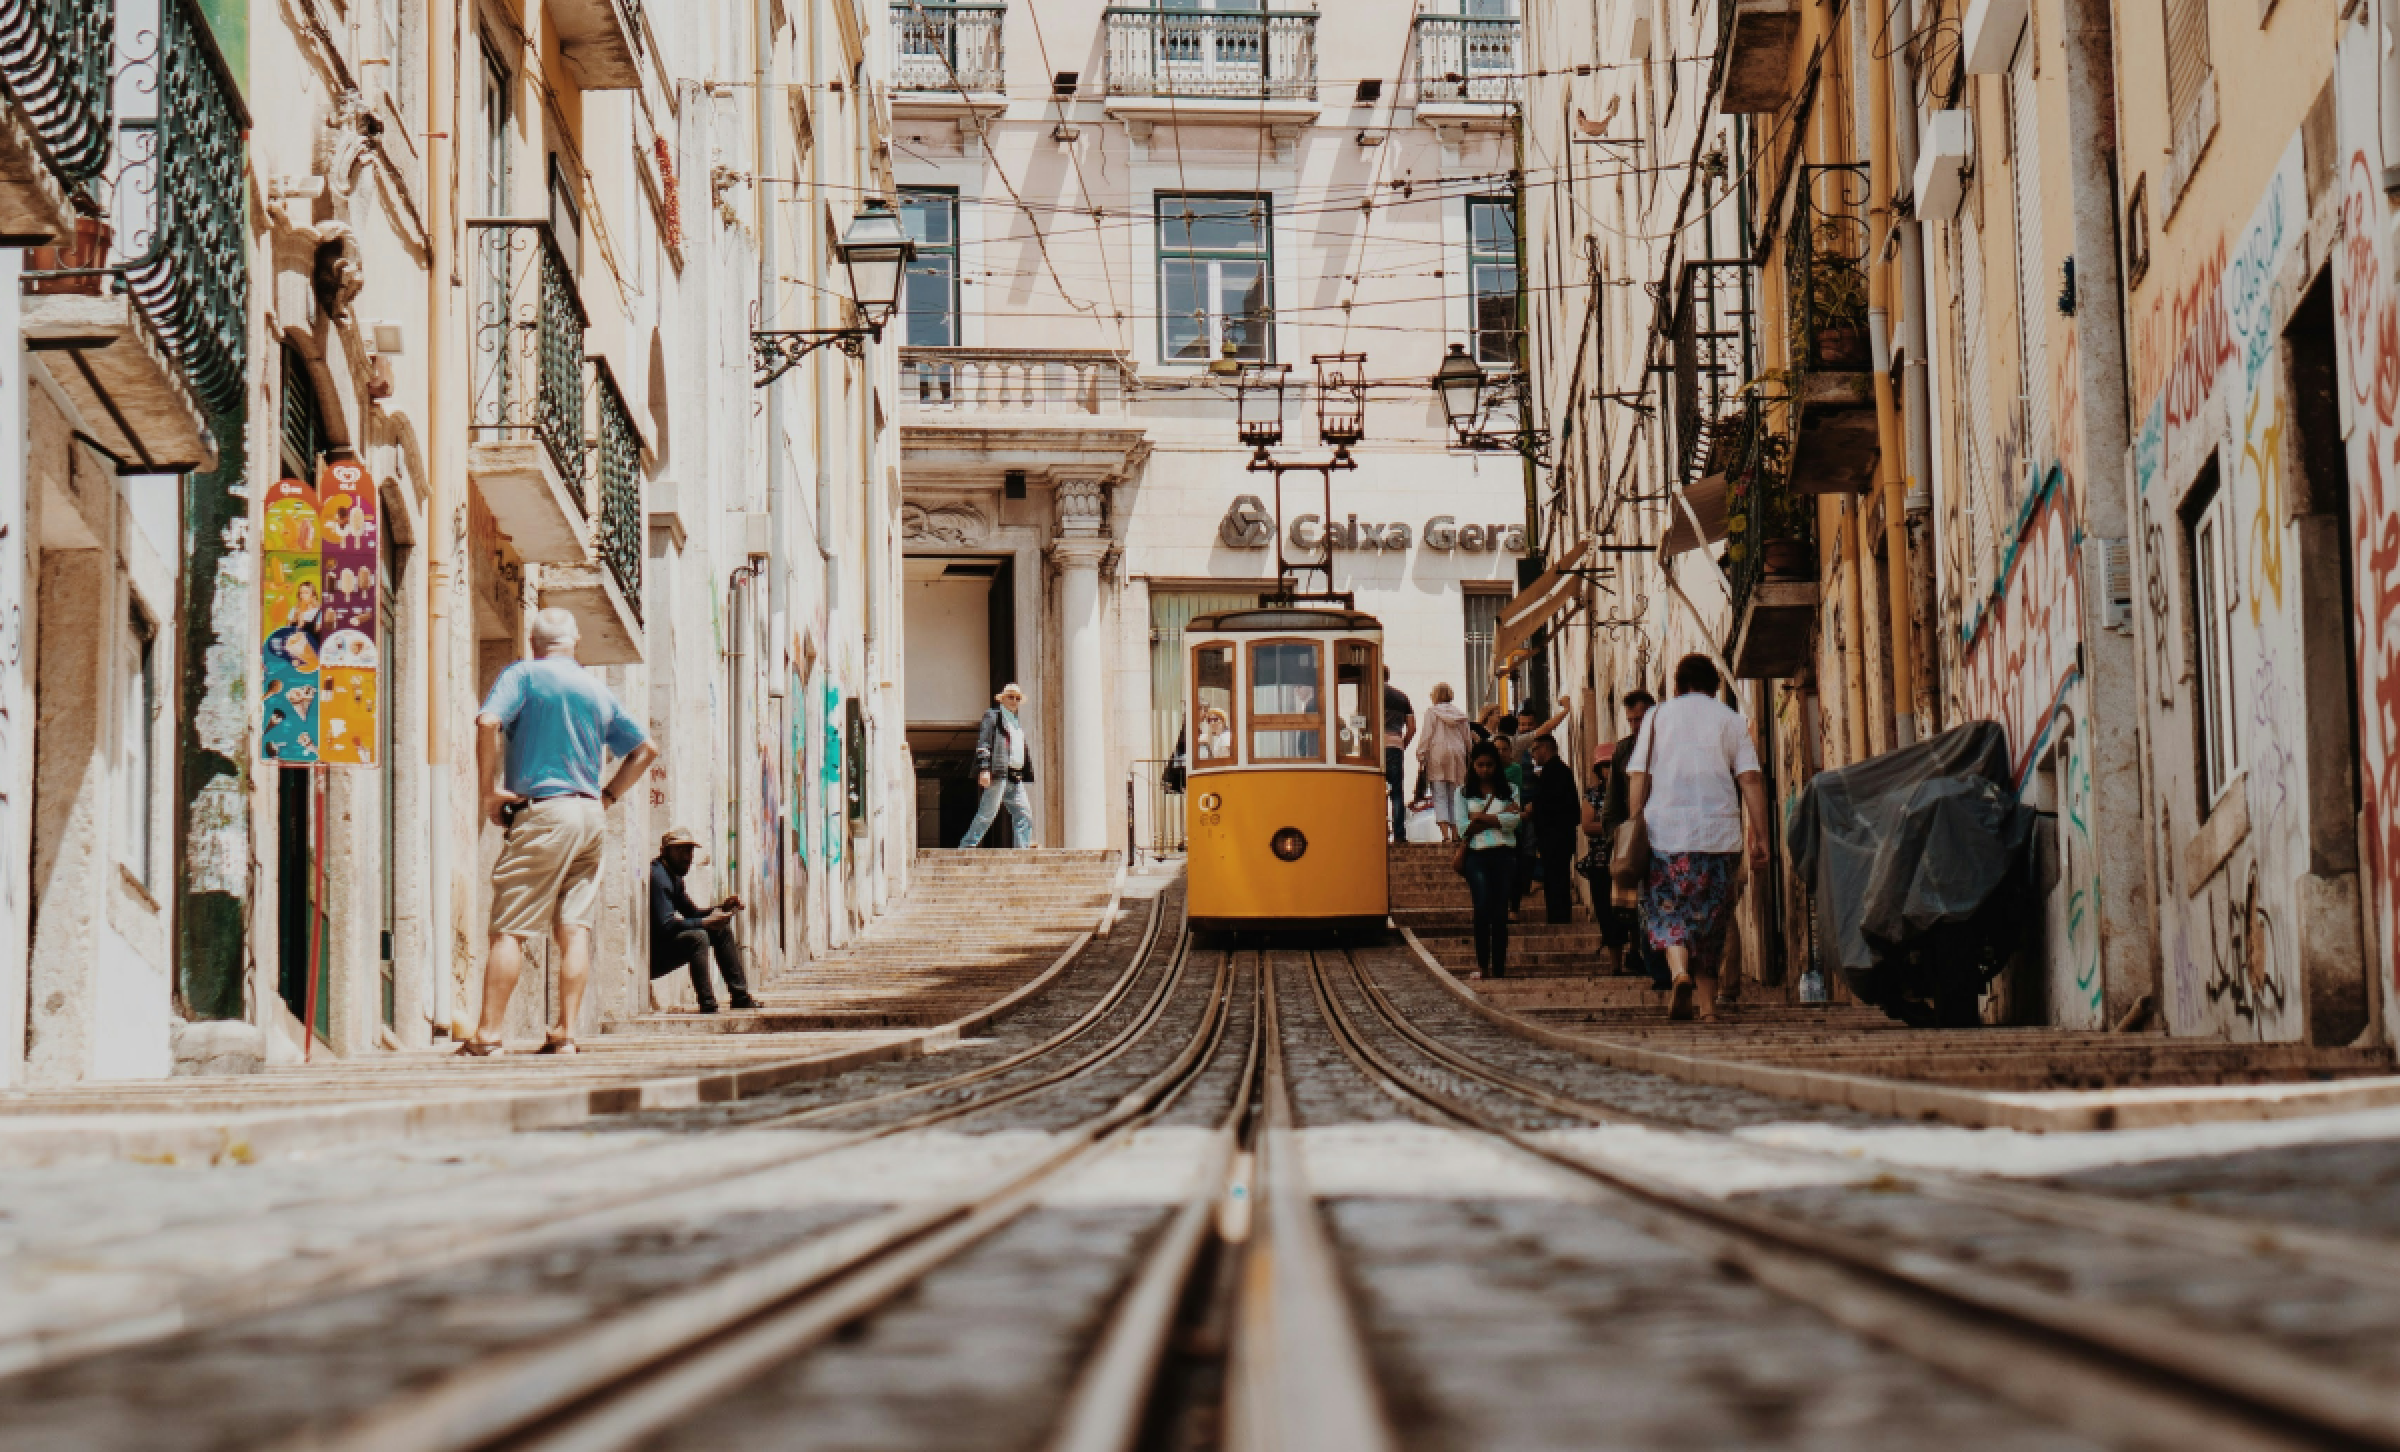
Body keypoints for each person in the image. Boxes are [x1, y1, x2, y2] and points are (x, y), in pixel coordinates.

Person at [459, 607, 657, 1055]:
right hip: (589, 814)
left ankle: (488, 1035)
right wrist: (607, 798)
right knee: (574, 927)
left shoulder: (523, 676)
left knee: (509, 926)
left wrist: (489, 792)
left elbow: (488, 721)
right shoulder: (596, 689)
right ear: (576, 643)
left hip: (545, 812)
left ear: (533, 642)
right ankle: (566, 1032)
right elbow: (646, 749)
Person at [1624, 656, 1770, 1022]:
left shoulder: (1657, 717)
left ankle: (1679, 973)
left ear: (1677, 686)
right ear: (1716, 686)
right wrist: (1761, 835)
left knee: (1667, 910)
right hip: (1718, 836)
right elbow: (1750, 778)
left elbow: (1638, 775)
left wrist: (1632, 821)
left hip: (1665, 834)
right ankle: (1707, 1009)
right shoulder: (1730, 720)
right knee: (1711, 923)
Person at [1591, 689, 1665, 986]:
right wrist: (1616, 842)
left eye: (1641, 719)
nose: (1636, 726)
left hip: (1668, 834)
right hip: (1636, 841)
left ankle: (1665, 967)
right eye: (1631, 720)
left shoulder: (1669, 745)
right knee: (1642, 904)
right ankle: (1655, 968)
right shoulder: (1624, 750)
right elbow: (1612, 803)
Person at [649, 826, 755, 1013]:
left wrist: (721, 908)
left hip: (664, 946)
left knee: (720, 930)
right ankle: (708, 1004)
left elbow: (692, 913)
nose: (687, 857)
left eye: (689, 850)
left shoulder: (674, 877)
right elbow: (666, 926)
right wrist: (705, 923)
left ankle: (740, 997)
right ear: (665, 852)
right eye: (680, 850)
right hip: (653, 958)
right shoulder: (659, 878)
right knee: (698, 938)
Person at [1453, 741, 1522, 981]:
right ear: (1473, 766)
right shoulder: (1462, 793)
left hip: (1504, 854)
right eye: (1480, 765)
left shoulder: (1511, 789)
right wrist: (1499, 818)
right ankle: (1483, 964)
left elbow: (1515, 822)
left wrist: (1479, 817)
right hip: (1476, 855)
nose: (1485, 770)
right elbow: (1462, 826)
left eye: (1489, 765)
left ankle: (1500, 967)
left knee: (1500, 911)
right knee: (1482, 907)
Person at [961, 683, 1036, 848]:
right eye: (1011, 696)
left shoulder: (1016, 723)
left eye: (1017, 698)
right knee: (987, 814)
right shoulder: (993, 716)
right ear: (1002, 699)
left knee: (1024, 815)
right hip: (999, 773)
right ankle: (967, 846)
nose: (1014, 700)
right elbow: (984, 742)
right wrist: (984, 768)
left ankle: (1022, 851)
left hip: (1015, 777)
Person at [1524, 734, 1584, 925]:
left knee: (1556, 879)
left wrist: (1534, 807)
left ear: (1544, 748)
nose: (1533, 755)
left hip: (1555, 836)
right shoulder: (1556, 771)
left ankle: (1559, 919)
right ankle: (1558, 917)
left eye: (1535, 750)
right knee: (1555, 879)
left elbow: (1555, 804)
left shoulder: (1555, 772)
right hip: (1558, 835)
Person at [1415, 682, 1476, 844]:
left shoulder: (1432, 712)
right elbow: (1467, 739)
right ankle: (1456, 834)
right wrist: (1469, 753)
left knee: (1440, 795)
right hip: (1457, 754)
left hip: (1438, 754)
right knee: (1455, 795)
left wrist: (1421, 754)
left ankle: (1446, 836)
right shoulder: (1460, 714)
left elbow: (1427, 735)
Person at [1382, 668, 1415, 842]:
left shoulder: (1371, 693)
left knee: (1376, 791)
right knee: (1396, 792)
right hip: (1395, 745)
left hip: (1376, 748)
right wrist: (1403, 744)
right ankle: (1399, 834)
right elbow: (1412, 727)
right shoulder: (1402, 697)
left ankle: (1379, 830)